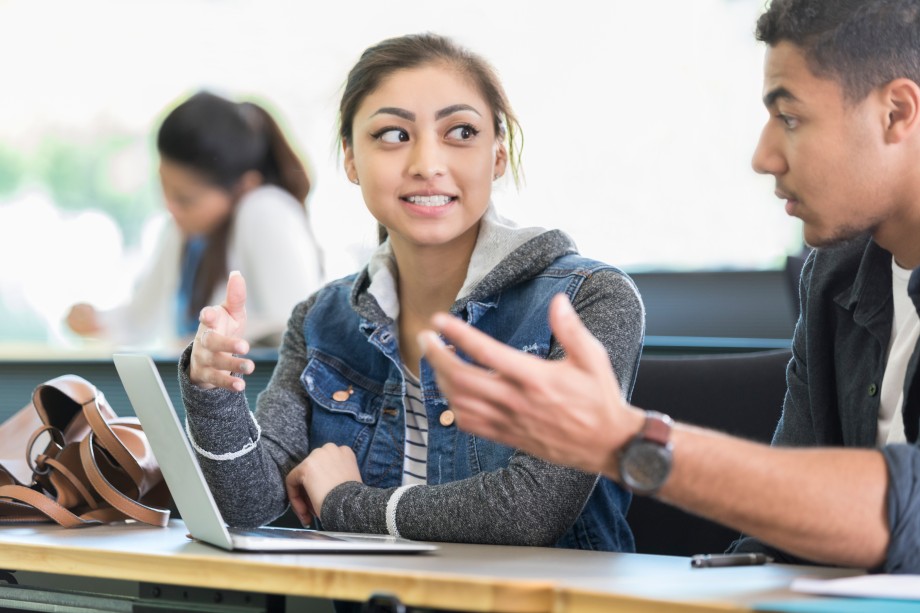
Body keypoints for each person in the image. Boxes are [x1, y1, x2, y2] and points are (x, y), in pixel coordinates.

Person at [421, 0, 920, 574]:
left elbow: (901, 511)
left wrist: (625, 440)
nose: (763, 156)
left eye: (790, 118)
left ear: (896, 112)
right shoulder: (836, 273)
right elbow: (780, 540)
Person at [177, 33, 645, 551]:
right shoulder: (320, 320)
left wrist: (345, 503)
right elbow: (249, 508)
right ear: (351, 160)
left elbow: (528, 513)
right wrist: (212, 390)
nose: (426, 162)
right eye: (394, 135)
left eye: (461, 131)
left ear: (497, 155)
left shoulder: (591, 301)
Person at [66, 91, 323, 349]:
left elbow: (294, 331)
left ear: (245, 186)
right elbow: (139, 319)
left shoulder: (265, 210)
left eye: (185, 198)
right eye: (164, 186)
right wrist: (97, 321)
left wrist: (200, 344)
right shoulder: (185, 230)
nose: (170, 206)